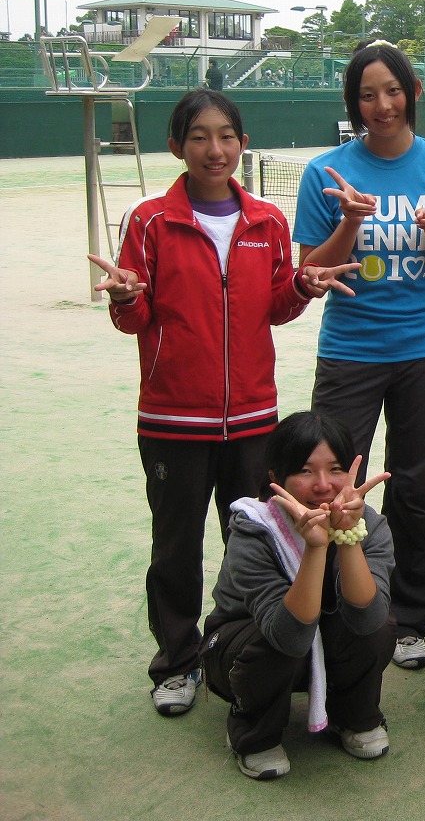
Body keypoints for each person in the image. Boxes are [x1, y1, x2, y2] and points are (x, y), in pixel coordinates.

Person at [89, 89, 354, 718]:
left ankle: (241, 648)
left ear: (242, 143)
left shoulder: (267, 221)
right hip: (173, 420)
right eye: (200, 136)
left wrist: (303, 286)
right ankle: (176, 662)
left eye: (227, 135)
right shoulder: (150, 221)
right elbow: (134, 320)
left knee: (254, 540)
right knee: (176, 548)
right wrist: (126, 297)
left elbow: (275, 308)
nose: (215, 149)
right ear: (176, 146)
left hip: (255, 420)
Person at [293, 39, 425, 672]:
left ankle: (408, 618)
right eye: (367, 95)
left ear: (413, 93)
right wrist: (348, 223)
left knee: (414, 488)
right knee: (330, 483)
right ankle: (325, 610)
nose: (382, 105)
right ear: (353, 103)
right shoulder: (325, 174)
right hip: (350, 351)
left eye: (393, 91)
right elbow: (311, 275)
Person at [201, 411, 396, 780]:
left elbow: (369, 620)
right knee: (274, 646)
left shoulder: (369, 524)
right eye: (305, 471)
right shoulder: (253, 529)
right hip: (241, 645)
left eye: (336, 469)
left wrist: (348, 537)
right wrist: (316, 547)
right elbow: (288, 635)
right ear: (276, 478)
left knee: (381, 626)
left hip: (318, 638)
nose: (323, 485)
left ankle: (352, 716)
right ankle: (253, 730)